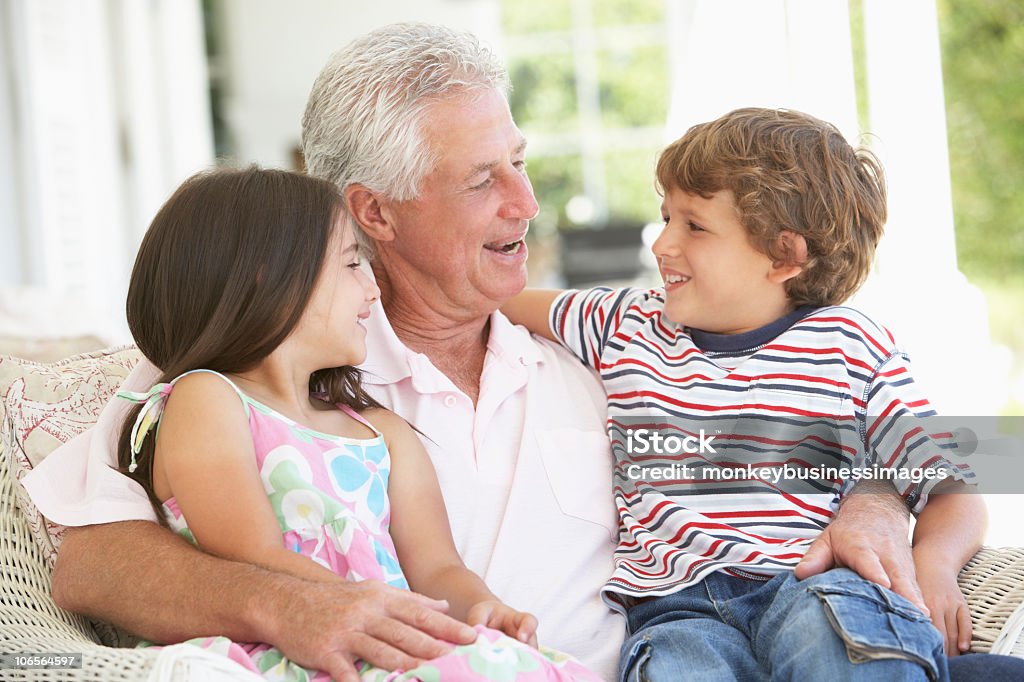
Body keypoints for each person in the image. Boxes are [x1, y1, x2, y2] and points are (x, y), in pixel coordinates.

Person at [22, 24, 932, 682]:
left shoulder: (630, 344)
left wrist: (880, 500)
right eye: (482, 179)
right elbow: (89, 565)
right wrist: (285, 604)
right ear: (375, 212)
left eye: (522, 162)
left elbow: (953, 435)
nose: (527, 204)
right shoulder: (266, 359)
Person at [501, 107, 1001, 680]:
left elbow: (954, 486)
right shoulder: (625, 322)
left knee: (842, 648)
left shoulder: (850, 344)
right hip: (676, 611)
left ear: (785, 256)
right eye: (666, 217)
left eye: (694, 226)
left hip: (814, 584)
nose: (661, 243)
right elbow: (488, 295)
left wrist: (933, 564)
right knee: (674, 669)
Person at [105, 165, 599, 681]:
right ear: (266, 277)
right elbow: (252, 558)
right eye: (350, 265)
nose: (372, 290)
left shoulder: (382, 433)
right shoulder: (208, 399)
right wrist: (381, 613)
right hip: (297, 647)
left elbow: (436, 568)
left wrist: (481, 607)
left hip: (387, 642)